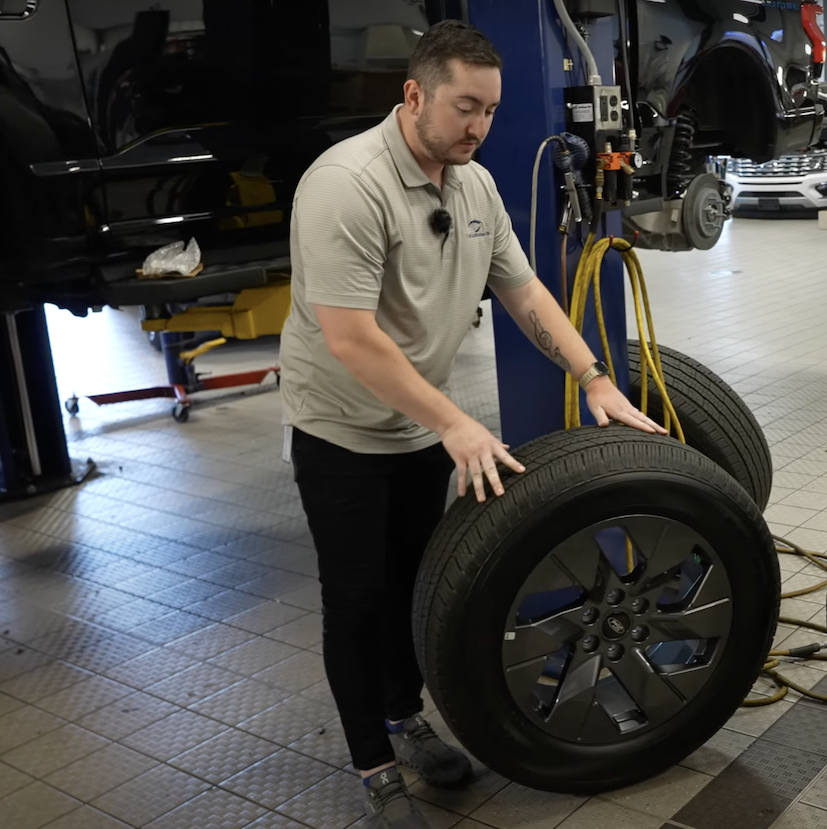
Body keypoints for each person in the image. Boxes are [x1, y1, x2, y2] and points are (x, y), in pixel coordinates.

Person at [277, 20, 666, 828]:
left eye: (489, 111)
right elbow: (351, 337)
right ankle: (376, 764)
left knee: (414, 589)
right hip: (343, 434)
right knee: (355, 601)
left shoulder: (475, 184)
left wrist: (592, 376)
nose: (478, 128)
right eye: (464, 107)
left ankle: (402, 715)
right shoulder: (345, 185)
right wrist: (458, 423)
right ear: (413, 93)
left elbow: (524, 292)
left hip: (419, 429)